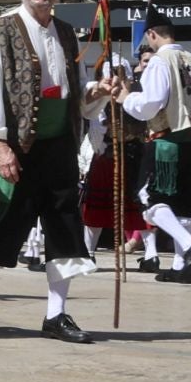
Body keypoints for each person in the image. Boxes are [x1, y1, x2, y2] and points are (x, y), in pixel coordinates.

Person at [0, 0, 112, 344]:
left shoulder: (65, 32)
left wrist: (99, 92)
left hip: (59, 144)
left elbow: (73, 92)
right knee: (5, 226)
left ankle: (56, 314)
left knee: (65, 227)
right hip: (17, 146)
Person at [113, 4, 191, 283]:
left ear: (152, 34)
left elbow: (150, 105)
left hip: (166, 141)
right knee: (182, 205)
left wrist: (125, 98)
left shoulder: (159, 62)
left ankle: (190, 245)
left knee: (148, 197)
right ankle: (181, 267)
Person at [82, 54, 146, 262]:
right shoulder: (135, 94)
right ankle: (151, 254)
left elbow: (98, 126)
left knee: (129, 205)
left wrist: (97, 147)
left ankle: (89, 252)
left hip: (112, 154)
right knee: (133, 203)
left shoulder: (122, 96)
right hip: (131, 153)